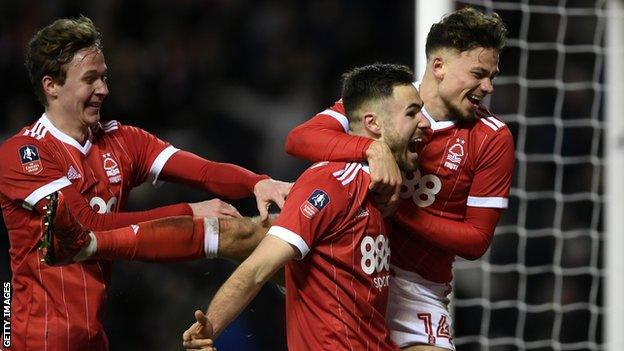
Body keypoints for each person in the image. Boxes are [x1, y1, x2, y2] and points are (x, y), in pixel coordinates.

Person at [0, 15, 290, 351]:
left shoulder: (122, 140)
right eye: (90, 79)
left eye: (104, 77)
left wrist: (258, 182)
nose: (103, 89)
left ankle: (295, 284)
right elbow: (86, 227)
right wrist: (188, 211)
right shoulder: (24, 154)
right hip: (33, 338)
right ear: (51, 85)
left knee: (252, 228)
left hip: (91, 336)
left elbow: (204, 171)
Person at [284, 7, 514, 351]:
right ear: (439, 66)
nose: (488, 86)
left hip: (417, 288)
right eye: (479, 74)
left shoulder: (491, 137)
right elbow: (299, 139)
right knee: (239, 230)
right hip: (348, 263)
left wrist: (397, 209)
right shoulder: (391, 100)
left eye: (492, 76)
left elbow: (476, 240)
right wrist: (371, 151)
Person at [181, 63, 431, 351]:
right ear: (373, 123)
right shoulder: (330, 183)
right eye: (412, 113)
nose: (424, 122)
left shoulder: (380, 190)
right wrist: (211, 327)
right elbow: (257, 269)